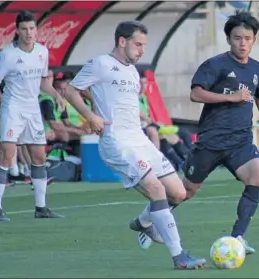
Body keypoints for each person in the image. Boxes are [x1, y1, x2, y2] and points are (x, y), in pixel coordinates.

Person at [64, 20, 206, 269]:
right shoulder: (101, 63)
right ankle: (179, 256)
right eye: (138, 44)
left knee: (179, 193)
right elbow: (70, 90)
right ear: (122, 41)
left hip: (139, 140)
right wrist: (91, 116)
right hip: (117, 143)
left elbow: (103, 96)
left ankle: (143, 222)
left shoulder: (131, 71)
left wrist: (95, 105)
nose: (142, 50)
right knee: (156, 190)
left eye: (144, 45)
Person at [138, 11, 259, 254]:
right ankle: (146, 221)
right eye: (237, 38)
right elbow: (196, 94)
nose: (242, 43)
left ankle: (237, 238)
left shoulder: (258, 69)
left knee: (256, 177)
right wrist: (231, 96)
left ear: (254, 39)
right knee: (184, 192)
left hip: (240, 142)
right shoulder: (215, 65)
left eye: (247, 38)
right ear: (229, 39)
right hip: (210, 141)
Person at [0, 11, 64, 221]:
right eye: (24, 29)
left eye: (32, 28)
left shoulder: (42, 52)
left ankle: (41, 208)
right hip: (13, 109)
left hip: (32, 109)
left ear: (36, 30)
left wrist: (56, 95)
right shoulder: (6, 55)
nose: (29, 33)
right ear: (17, 31)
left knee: (39, 157)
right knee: (7, 156)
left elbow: (43, 81)